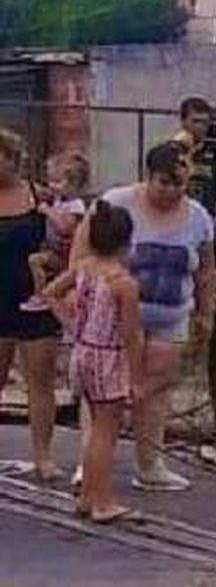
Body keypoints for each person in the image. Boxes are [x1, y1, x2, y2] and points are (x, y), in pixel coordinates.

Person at [82, 141, 215, 492]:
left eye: (180, 184)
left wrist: (205, 311)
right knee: (105, 391)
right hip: (115, 315)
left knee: (157, 385)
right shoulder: (115, 202)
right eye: (164, 182)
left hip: (170, 313)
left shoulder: (199, 216)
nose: (171, 191)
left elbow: (205, 270)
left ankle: (150, 463)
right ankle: (92, 464)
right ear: (148, 176)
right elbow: (85, 251)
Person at [32, 199, 143, 523]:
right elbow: (131, 335)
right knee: (106, 432)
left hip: (82, 352)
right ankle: (101, 500)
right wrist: (136, 379)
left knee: (96, 426)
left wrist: (72, 323)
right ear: (126, 241)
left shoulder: (83, 268)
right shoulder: (124, 283)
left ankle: (87, 497)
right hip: (109, 356)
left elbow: (50, 292)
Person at [0, 128, 61, 483]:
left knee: (40, 382)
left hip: (34, 302)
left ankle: (43, 456)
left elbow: (66, 240)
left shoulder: (39, 196)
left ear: (12, 159)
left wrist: (51, 259)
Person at [170, 97, 216, 232]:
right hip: (176, 221)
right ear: (183, 121)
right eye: (195, 121)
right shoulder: (170, 151)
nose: (200, 127)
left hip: (205, 222)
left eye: (205, 122)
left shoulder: (213, 154)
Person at [29, 151, 90, 296]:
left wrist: (48, 210)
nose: (52, 186)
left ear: (74, 184)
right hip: (53, 249)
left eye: (57, 182)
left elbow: (65, 228)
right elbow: (41, 191)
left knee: (35, 261)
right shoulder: (59, 198)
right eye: (51, 181)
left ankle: (40, 295)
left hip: (66, 255)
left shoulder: (76, 205)